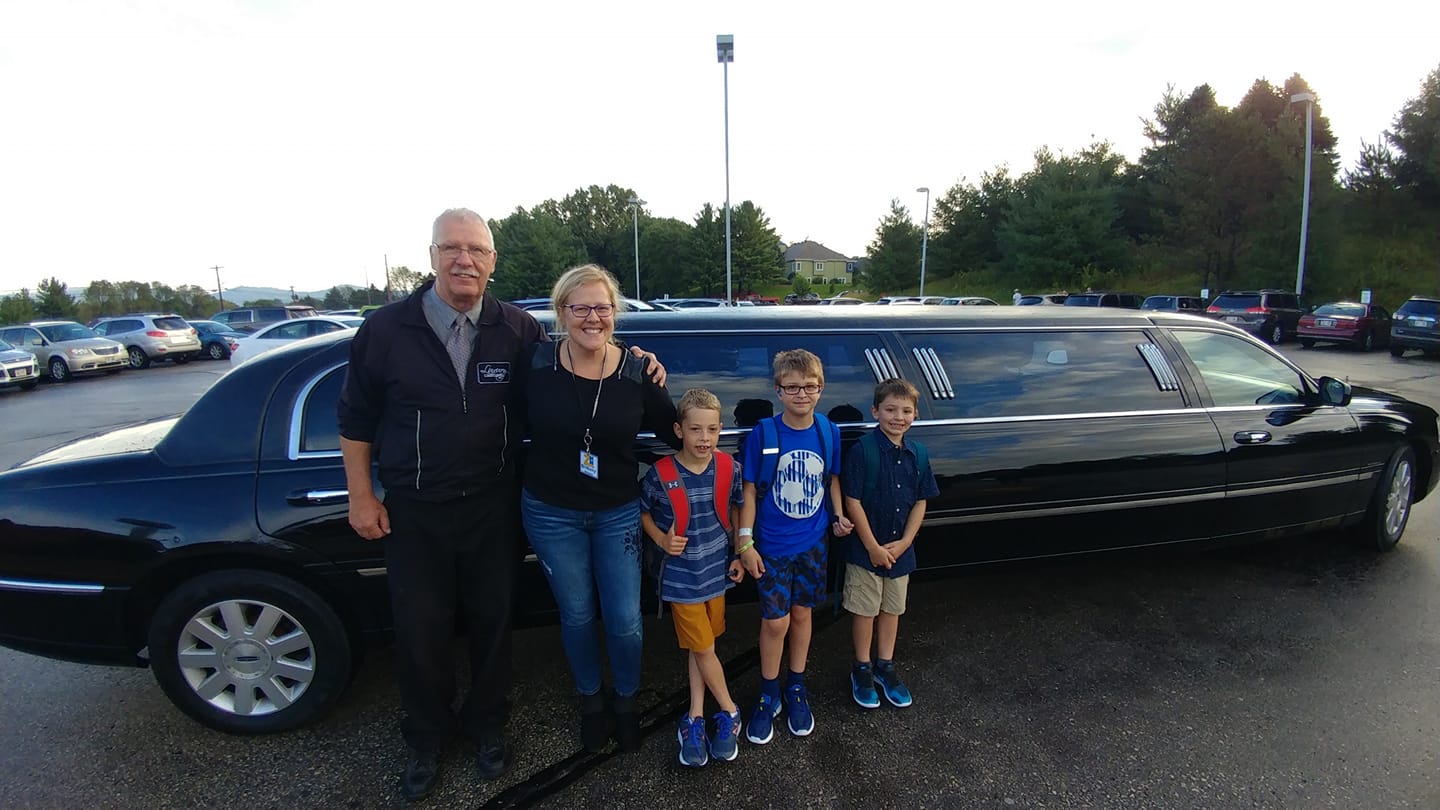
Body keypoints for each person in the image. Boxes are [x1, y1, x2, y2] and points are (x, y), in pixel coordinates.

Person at [337, 208, 541, 801]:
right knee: (420, 629)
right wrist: (361, 495)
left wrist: (635, 364)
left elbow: (566, 382)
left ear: (492, 262)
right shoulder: (386, 329)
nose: (464, 260)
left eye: (476, 250)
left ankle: (487, 727)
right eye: (452, 248)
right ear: (431, 257)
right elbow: (355, 418)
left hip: (493, 505)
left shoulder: (517, 328)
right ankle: (426, 738)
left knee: (493, 623)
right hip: (415, 509)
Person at [518, 264, 682, 753]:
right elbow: (497, 422)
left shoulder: (637, 370)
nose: (593, 317)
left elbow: (677, 431)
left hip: (617, 511)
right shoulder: (535, 365)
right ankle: (591, 701)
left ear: (615, 312)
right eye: (581, 308)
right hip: (551, 511)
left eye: (603, 307)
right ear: (561, 311)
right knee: (576, 613)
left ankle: (626, 699)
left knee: (625, 619)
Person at [737, 349, 853, 745]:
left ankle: (797, 685)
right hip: (772, 545)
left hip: (813, 542)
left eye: (809, 387)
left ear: (821, 388)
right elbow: (748, 490)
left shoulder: (828, 431)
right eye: (792, 388)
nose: (801, 394)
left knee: (803, 615)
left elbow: (831, 479)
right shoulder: (764, 434)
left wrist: (838, 515)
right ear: (778, 390)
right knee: (775, 622)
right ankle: (768, 691)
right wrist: (745, 542)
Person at [639, 388, 746, 768]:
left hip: (716, 572)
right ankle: (730, 711)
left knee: (702, 647)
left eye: (712, 430)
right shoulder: (660, 475)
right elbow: (643, 512)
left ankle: (695, 716)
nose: (704, 438)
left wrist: (739, 553)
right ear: (678, 430)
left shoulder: (729, 468)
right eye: (696, 429)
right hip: (681, 578)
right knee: (703, 647)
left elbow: (738, 508)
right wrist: (661, 540)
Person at [840, 379, 939, 710]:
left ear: (915, 414)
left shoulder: (918, 454)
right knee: (865, 610)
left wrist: (906, 541)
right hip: (865, 551)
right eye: (891, 409)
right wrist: (872, 546)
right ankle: (862, 667)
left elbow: (921, 500)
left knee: (892, 609)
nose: (899, 417)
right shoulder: (863, 451)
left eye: (906, 411)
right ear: (875, 411)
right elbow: (852, 501)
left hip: (900, 551)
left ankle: (885, 665)